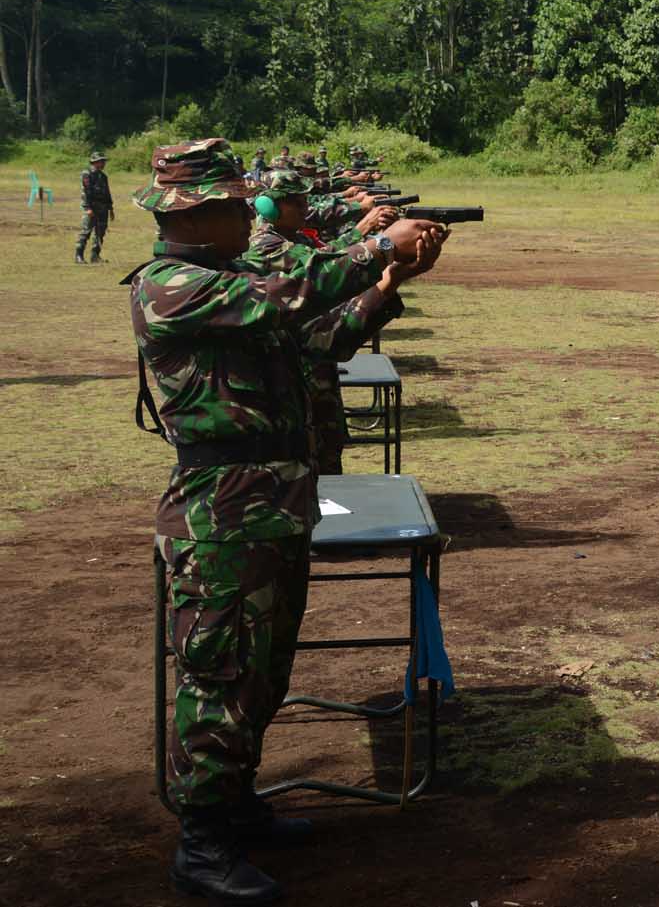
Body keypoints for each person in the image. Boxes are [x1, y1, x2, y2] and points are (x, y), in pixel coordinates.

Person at [127, 138, 445, 903]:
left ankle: (235, 808)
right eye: (236, 203)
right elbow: (291, 289)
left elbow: (316, 341)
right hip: (222, 514)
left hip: (270, 506)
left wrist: (388, 282)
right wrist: (374, 245)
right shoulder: (168, 285)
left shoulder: (230, 276)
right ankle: (202, 845)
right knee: (221, 675)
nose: (250, 211)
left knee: (263, 671)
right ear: (196, 215)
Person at [241, 169, 402, 474]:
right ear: (269, 208)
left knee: (329, 457)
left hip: (316, 370)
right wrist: (374, 238)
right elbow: (326, 267)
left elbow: (325, 257)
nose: (306, 209)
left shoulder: (294, 237)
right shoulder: (267, 246)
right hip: (300, 374)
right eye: (298, 204)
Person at [75, 152, 114, 264]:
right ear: (94, 162)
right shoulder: (87, 174)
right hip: (92, 208)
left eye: (104, 161)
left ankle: (95, 256)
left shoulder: (103, 176)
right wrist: (87, 208)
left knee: (100, 233)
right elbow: (85, 192)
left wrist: (110, 208)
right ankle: (79, 256)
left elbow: (107, 193)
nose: (103, 163)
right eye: (101, 161)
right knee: (86, 231)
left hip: (103, 209)